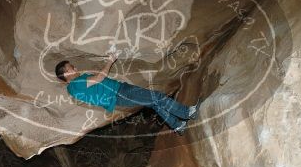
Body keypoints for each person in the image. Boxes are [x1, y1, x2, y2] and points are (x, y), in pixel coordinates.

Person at [54, 56, 200, 135]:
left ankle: (178, 125)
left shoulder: (72, 89)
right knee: (157, 97)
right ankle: (188, 113)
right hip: (119, 93)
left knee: (154, 103)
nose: (75, 67)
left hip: (119, 92)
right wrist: (110, 60)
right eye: (71, 67)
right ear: (66, 73)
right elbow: (99, 78)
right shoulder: (75, 84)